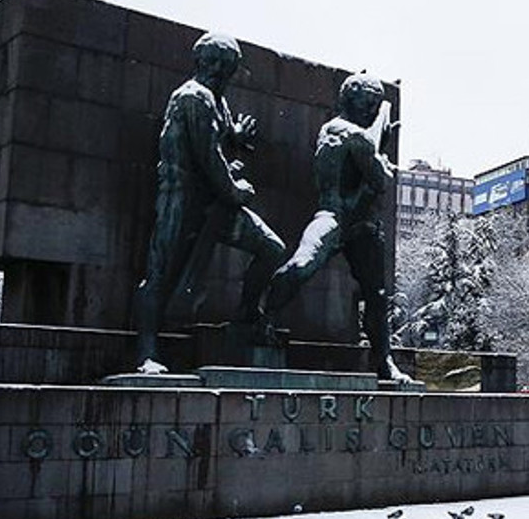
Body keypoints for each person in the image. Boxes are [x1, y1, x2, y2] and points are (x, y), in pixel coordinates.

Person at [132, 32, 286, 373]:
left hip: (214, 203)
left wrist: (236, 136)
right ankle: (146, 352)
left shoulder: (217, 100)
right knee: (162, 273)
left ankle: (247, 315)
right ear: (198, 61)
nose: (217, 69)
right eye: (211, 61)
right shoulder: (193, 96)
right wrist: (235, 190)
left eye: (225, 65)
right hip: (182, 197)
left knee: (272, 249)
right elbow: (208, 158)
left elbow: (220, 135)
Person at [264, 73, 410, 382]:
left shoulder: (330, 129)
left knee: (369, 290)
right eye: (367, 103)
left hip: (347, 220)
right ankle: (384, 362)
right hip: (343, 218)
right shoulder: (354, 135)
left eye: (375, 105)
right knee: (311, 268)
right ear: (349, 100)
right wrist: (381, 157)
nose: (371, 110)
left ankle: (261, 315)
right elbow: (381, 180)